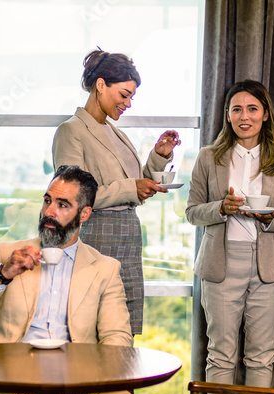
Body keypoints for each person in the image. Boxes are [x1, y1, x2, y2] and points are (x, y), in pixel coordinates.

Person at [0, 165, 141, 394]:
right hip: (9, 382)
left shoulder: (105, 268)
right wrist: (3, 273)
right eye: (47, 200)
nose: (50, 211)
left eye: (63, 205)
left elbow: (118, 341)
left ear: (84, 214)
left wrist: (85, 380)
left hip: (80, 385)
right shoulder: (6, 253)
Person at [185, 80, 274, 394]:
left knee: (262, 356)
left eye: (252, 109)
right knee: (220, 353)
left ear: (265, 115)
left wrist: (271, 218)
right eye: (237, 109)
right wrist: (220, 208)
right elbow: (192, 212)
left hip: (268, 267)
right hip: (220, 265)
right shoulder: (209, 157)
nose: (244, 116)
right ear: (227, 115)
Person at [52, 48, 182, 336]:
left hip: (127, 236)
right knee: (93, 326)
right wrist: (131, 187)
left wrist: (158, 157)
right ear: (101, 85)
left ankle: (121, 381)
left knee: (124, 326)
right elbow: (71, 197)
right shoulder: (71, 131)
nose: (128, 103)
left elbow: (133, 187)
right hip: (97, 235)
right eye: (124, 94)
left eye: (131, 96)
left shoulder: (113, 131)